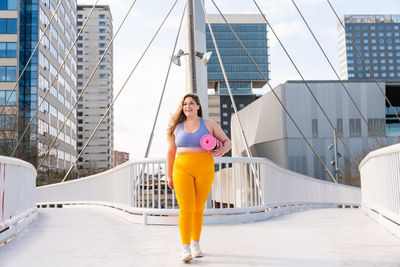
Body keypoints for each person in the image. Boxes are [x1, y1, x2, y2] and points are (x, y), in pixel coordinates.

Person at [166, 93, 231, 262]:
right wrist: (169, 176)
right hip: (181, 169)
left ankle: (195, 244)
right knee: (186, 208)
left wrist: (222, 150)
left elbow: (227, 141)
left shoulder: (209, 124)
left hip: (204, 167)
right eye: (185, 104)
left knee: (198, 207)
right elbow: (171, 152)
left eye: (191, 103)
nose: (188, 106)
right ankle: (185, 247)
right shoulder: (177, 127)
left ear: (198, 106)